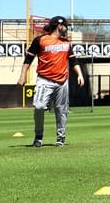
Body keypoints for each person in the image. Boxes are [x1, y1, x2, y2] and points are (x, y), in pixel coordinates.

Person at [17, 15, 84, 147]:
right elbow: (28, 59)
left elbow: (73, 60)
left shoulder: (66, 43)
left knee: (61, 110)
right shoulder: (40, 40)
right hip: (44, 80)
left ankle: (61, 138)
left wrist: (80, 75)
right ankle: (39, 135)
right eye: (65, 26)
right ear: (59, 26)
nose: (66, 29)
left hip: (62, 81)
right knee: (39, 107)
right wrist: (22, 75)